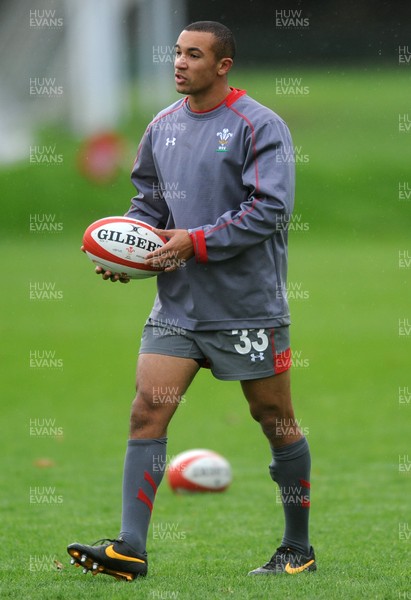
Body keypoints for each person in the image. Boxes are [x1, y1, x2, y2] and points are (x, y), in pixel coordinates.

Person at [67, 20, 315, 581]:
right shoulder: (161, 126)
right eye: (177, 52)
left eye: (193, 55)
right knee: (146, 411)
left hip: (247, 308)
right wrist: (127, 247)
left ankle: (297, 546)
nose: (179, 62)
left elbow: (269, 209)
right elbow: (148, 204)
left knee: (274, 419)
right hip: (177, 310)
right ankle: (130, 548)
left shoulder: (259, 125)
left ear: (223, 66)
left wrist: (195, 241)